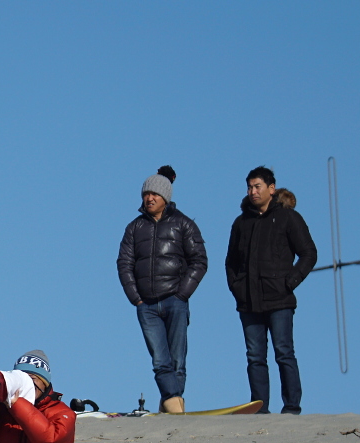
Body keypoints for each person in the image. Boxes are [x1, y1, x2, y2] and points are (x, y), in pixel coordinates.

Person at [225, 167, 317, 414]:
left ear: (271, 189)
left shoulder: (288, 218)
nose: (253, 191)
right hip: (248, 302)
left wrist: (289, 282)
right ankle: (259, 408)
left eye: (257, 186)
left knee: (284, 352)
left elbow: (309, 253)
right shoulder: (241, 223)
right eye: (249, 187)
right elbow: (230, 262)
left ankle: (291, 407)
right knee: (255, 356)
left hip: (279, 300)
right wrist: (237, 287)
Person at [116, 166, 209, 414]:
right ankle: (174, 403)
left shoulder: (184, 224)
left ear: (165, 197)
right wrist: (136, 298)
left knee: (177, 360)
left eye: (154, 194)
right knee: (160, 360)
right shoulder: (134, 228)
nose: (149, 198)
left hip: (175, 301)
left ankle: (170, 403)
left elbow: (199, 261)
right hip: (146, 305)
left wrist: (182, 294)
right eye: (146, 194)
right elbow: (124, 263)